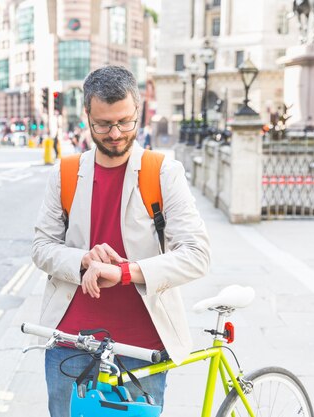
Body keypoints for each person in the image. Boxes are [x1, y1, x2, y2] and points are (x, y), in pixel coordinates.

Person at [32, 65, 211, 417]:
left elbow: (197, 255)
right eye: (103, 124)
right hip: (70, 342)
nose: (115, 133)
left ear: (138, 114)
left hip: (141, 347)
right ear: (87, 116)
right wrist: (84, 259)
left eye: (125, 122)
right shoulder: (66, 173)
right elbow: (41, 248)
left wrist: (126, 273)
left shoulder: (163, 173)